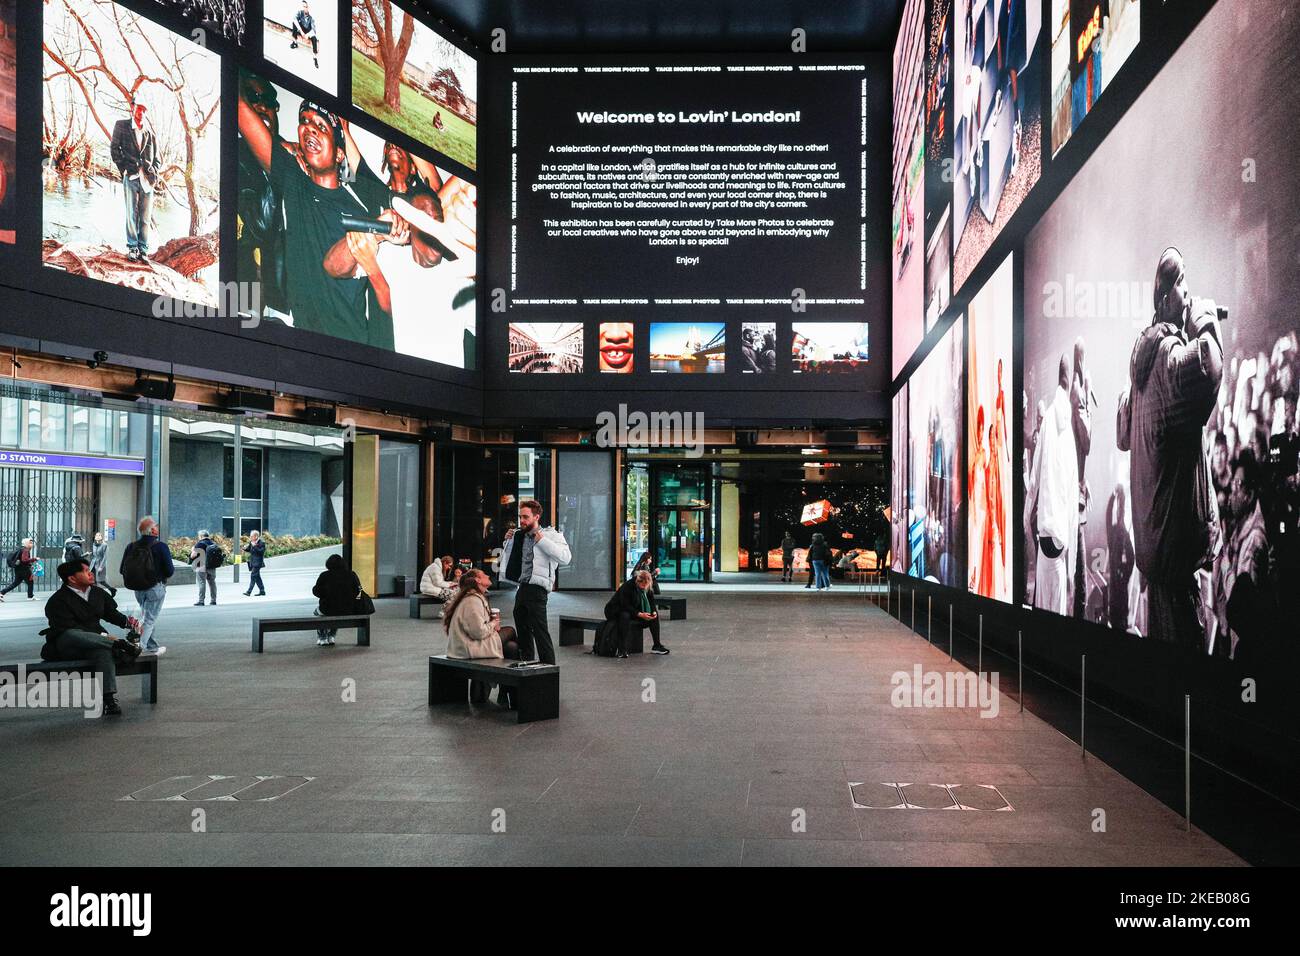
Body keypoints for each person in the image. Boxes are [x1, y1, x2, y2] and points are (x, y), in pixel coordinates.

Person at [236, 86, 402, 349]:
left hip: (351, 349)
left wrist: (385, 228)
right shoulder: (293, 182)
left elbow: (338, 266)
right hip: (303, 342)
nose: (309, 128)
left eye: (321, 126)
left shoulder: (359, 205)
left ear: (339, 154)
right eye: (304, 121)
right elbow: (242, 113)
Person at [1118, 248, 1224, 649]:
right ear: (1164, 300)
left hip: (1155, 555)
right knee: (1189, 665)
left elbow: (1122, 432)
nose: (1188, 294)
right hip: (1176, 558)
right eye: (1182, 285)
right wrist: (1206, 325)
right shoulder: (1166, 359)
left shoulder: (1142, 371)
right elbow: (1205, 371)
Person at [41, 559, 143, 718]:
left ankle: (109, 699)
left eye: (90, 569)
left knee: (102, 651)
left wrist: (129, 623)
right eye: (85, 571)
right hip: (68, 644)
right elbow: (66, 628)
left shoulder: (97, 593)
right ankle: (118, 644)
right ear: (72, 578)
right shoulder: (57, 601)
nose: (91, 573)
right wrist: (105, 637)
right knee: (72, 633)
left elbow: (111, 614)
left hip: (97, 641)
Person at [1026, 354, 1079, 616]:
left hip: (1044, 531)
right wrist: (1072, 568)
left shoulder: (1047, 421)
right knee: (1056, 607)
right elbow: (1070, 495)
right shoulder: (1068, 434)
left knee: (1042, 601)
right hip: (1059, 539)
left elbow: (1035, 476)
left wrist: (1027, 517)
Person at [499, 499, 571, 665]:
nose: (522, 520)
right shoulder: (519, 535)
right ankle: (527, 666)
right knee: (523, 629)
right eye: (520, 517)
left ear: (536, 516)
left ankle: (549, 670)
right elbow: (512, 558)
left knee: (540, 631)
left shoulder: (551, 535)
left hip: (538, 589)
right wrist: (507, 541)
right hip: (523, 587)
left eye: (525, 517)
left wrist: (542, 540)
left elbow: (565, 558)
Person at [443, 569, 521, 705]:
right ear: (477, 580)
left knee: (511, 647)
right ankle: (510, 694)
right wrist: (493, 623)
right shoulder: (473, 601)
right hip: (468, 647)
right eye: (484, 574)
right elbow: (478, 632)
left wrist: (491, 624)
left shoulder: (473, 598)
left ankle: (504, 692)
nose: (488, 575)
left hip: (467, 645)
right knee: (511, 632)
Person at [109, 100, 160, 262]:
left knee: (145, 217)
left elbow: (157, 159)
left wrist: (155, 174)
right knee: (131, 214)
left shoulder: (150, 134)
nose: (141, 112)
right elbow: (114, 149)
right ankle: (132, 248)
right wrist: (123, 168)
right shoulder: (121, 126)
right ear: (133, 109)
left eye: (144, 110)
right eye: (139, 109)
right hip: (130, 176)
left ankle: (143, 249)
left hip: (148, 180)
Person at [119, 516, 171, 654]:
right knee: (149, 619)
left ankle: (152, 647)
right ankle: (136, 649)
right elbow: (169, 570)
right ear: (153, 530)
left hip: (138, 589)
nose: (158, 528)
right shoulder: (160, 546)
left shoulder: (131, 546)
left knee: (146, 617)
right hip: (155, 588)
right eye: (156, 526)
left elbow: (121, 569)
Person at [605, 570, 670, 658]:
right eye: (642, 585)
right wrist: (639, 614)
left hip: (634, 609)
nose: (644, 587)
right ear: (637, 582)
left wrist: (653, 612)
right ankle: (622, 649)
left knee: (654, 616)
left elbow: (651, 602)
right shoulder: (628, 586)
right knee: (625, 615)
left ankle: (656, 645)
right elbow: (625, 605)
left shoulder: (648, 586)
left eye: (646, 585)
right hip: (615, 610)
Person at [312, 553, 361, 646]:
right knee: (338, 611)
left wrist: (325, 595)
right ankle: (331, 636)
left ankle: (322, 637)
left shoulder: (324, 575)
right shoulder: (352, 574)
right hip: (348, 609)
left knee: (319, 613)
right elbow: (359, 591)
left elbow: (316, 591)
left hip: (328, 608)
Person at [1105, 484, 1135, 633]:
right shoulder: (1116, 533)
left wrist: (1125, 574)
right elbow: (1108, 515)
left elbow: (1131, 559)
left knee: (1119, 620)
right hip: (1117, 596)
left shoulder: (1123, 534)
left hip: (1119, 597)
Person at [1, 537, 37, 601]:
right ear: (26, 543)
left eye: (32, 543)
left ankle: (2, 592)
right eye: (30, 543)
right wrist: (34, 559)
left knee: (16, 583)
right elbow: (24, 560)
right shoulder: (25, 550)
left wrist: (30, 565)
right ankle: (30, 596)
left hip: (18, 569)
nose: (32, 544)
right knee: (30, 582)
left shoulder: (21, 549)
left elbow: (22, 560)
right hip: (24, 570)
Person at [190, 530, 218, 606]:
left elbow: (193, 556)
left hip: (201, 565)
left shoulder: (200, 544)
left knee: (202, 583)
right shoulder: (213, 544)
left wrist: (193, 550)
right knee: (212, 583)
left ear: (201, 536)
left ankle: (201, 601)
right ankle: (213, 600)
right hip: (212, 566)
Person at [290, 1, 319, 69]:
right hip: (302, 29)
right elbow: (294, 19)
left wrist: (307, 35)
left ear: (308, 8)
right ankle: (295, 42)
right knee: (294, 23)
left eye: (306, 7)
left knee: (314, 38)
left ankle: (315, 58)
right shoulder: (300, 12)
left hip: (308, 31)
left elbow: (314, 30)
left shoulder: (311, 18)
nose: (304, 8)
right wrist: (301, 31)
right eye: (303, 6)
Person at [242, 529, 267, 596]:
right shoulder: (252, 542)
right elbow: (249, 549)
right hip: (252, 562)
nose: (250, 537)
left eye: (251, 536)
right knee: (257, 577)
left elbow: (261, 552)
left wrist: (255, 546)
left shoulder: (262, 543)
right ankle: (262, 591)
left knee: (253, 576)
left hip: (258, 563)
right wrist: (244, 548)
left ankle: (249, 592)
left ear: (256, 536)